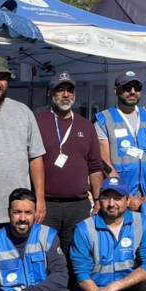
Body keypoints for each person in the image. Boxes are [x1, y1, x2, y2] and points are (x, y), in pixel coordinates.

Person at [35, 71, 102, 272]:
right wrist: (36, 200)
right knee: (43, 256)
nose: (65, 95)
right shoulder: (37, 122)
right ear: (50, 93)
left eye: (70, 90)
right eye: (60, 90)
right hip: (46, 205)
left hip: (78, 206)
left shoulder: (86, 126)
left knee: (77, 257)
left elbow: (95, 166)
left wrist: (98, 200)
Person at [0, 55, 46, 236]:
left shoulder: (24, 112)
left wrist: (40, 198)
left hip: (20, 211)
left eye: (2, 78)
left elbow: (35, 158)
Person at [95, 71, 146, 210]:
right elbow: (104, 161)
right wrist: (126, 197)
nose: (132, 91)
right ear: (116, 90)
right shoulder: (104, 120)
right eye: (127, 87)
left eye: (137, 87)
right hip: (119, 198)